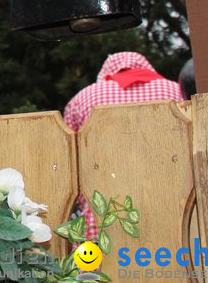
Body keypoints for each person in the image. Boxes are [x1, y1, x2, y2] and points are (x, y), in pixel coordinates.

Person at [64, 51, 184, 238]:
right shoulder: (177, 91)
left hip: (104, 208)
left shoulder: (83, 98)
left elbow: (70, 156)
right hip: (171, 202)